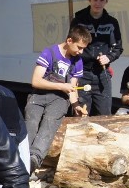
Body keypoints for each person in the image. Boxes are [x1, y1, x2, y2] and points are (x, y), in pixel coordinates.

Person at [24, 25, 91, 173]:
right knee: (32, 122)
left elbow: (72, 89)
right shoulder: (50, 52)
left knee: (49, 123)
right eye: (79, 47)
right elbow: (36, 81)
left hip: (60, 99)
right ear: (69, 40)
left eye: (83, 49)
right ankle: (21, 158)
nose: (80, 52)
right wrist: (61, 86)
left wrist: (76, 105)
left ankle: (34, 159)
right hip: (38, 95)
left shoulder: (77, 61)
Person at [70, 0, 123, 116]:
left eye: (101, 0)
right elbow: (71, 45)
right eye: (95, 0)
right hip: (82, 73)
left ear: (106, 1)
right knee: (81, 113)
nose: (97, 3)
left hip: (102, 74)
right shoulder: (78, 20)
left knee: (104, 114)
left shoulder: (112, 22)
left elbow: (118, 48)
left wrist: (109, 57)